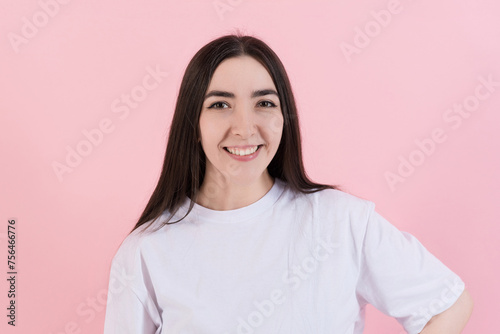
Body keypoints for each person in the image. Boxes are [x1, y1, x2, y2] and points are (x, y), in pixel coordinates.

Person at [103, 33, 473, 334]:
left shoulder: (340, 222)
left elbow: (449, 304)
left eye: (264, 103)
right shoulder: (146, 252)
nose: (245, 128)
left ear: (285, 117)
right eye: (220, 105)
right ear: (192, 124)